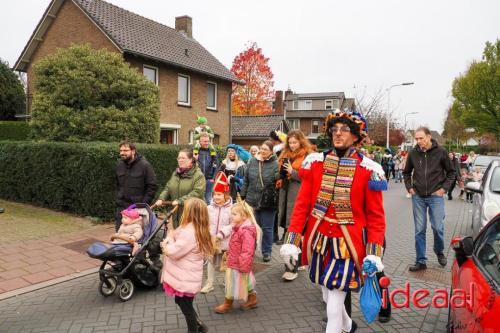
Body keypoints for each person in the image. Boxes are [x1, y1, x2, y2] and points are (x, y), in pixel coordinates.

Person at [281, 109, 387, 333]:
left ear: (356, 136)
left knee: (334, 304)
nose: (338, 134)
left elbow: (376, 218)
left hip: (348, 246)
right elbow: (302, 206)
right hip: (319, 241)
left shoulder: (369, 170)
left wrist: (374, 252)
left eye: (345, 130)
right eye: (334, 130)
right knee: (328, 294)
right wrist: (292, 239)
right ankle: (348, 325)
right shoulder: (315, 163)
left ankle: (339, 327)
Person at [403, 127, 455, 272]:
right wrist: (410, 188)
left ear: (429, 137)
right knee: (419, 229)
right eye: (417, 139)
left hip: (435, 196)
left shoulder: (441, 152)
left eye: (421, 138)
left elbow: (451, 173)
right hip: (418, 196)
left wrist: (444, 189)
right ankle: (421, 261)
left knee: (437, 227)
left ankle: (439, 251)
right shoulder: (413, 153)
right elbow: (406, 173)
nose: (419, 142)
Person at [160, 198, 214, 333]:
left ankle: (194, 330)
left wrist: (167, 242)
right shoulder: (197, 228)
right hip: (187, 276)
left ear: (190, 212)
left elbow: (174, 252)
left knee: (186, 307)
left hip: (184, 277)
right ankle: (200, 326)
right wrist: (172, 236)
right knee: (182, 302)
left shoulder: (189, 232)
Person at [275, 130, 313, 281]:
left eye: (295, 142)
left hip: (299, 199)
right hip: (285, 197)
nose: (292, 145)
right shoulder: (284, 155)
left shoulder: (308, 157)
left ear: (301, 142)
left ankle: (292, 268)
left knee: (293, 233)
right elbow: (277, 174)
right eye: (290, 142)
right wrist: (280, 174)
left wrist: (294, 172)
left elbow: (310, 178)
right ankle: (301, 260)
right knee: (292, 231)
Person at [214, 201, 262, 313]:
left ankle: (228, 303)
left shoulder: (245, 231)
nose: (231, 216)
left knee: (231, 282)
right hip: (236, 261)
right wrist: (229, 252)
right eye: (232, 213)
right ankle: (252, 299)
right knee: (246, 281)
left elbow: (247, 250)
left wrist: (244, 264)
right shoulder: (237, 227)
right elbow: (236, 244)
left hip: (239, 263)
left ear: (244, 216)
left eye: (235, 214)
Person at [240, 140, 279, 262]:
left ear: (271, 152)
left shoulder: (276, 163)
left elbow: (279, 182)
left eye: (266, 149)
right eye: (261, 148)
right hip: (252, 199)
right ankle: (250, 249)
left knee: (267, 228)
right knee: (251, 227)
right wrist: (243, 194)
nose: (262, 151)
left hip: (268, 201)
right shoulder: (252, 161)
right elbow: (246, 179)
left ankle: (266, 251)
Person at [154, 149, 206, 228]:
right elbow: (168, 187)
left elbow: (197, 193)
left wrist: (180, 201)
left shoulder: (199, 175)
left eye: (183, 158)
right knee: (177, 233)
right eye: (179, 158)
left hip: (191, 212)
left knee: (188, 235)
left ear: (191, 160)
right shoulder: (175, 173)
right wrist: (161, 198)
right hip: (176, 212)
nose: (180, 160)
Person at [201, 171, 233, 294]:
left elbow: (233, 224)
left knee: (226, 263)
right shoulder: (209, 208)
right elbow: (205, 223)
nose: (216, 197)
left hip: (225, 241)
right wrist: (208, 234)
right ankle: (209, 283)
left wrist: (222, 233)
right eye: (214, 194)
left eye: (219, 194)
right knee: (210, 262)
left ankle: (227, 282)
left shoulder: (232, 208)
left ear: (225, 194)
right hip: (212, 241)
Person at [115, 141, 158, 231]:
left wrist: (142, 205)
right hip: (122, 208)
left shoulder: (145, 165)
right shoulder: (119, 165)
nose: (122, 153)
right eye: (121, 150)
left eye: (125, 150)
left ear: (133, 151)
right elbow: (118, 184)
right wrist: (119, 197)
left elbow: (152, 186)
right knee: (120, 235)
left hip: (137, 209)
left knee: (137, 238)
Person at [193, 133, 219, 203]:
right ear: (200, 142)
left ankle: (208, 213)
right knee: (198, 199)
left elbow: (216, 165)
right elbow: (190, 166)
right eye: (205, 141)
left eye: (208, 141)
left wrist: (213, 178)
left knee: (208, 199)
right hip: (198, 179)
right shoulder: (195, 151)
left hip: (209, 180)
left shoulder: (212, 151)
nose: (207, 143)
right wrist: (194, 159)